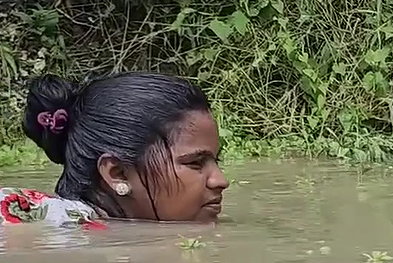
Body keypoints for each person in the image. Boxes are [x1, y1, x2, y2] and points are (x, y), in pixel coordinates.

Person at [2, 72, 229, 227]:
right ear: (117, 173)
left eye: (215, 162)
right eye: (195, 162)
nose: (221, 181)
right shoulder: (41, 218)